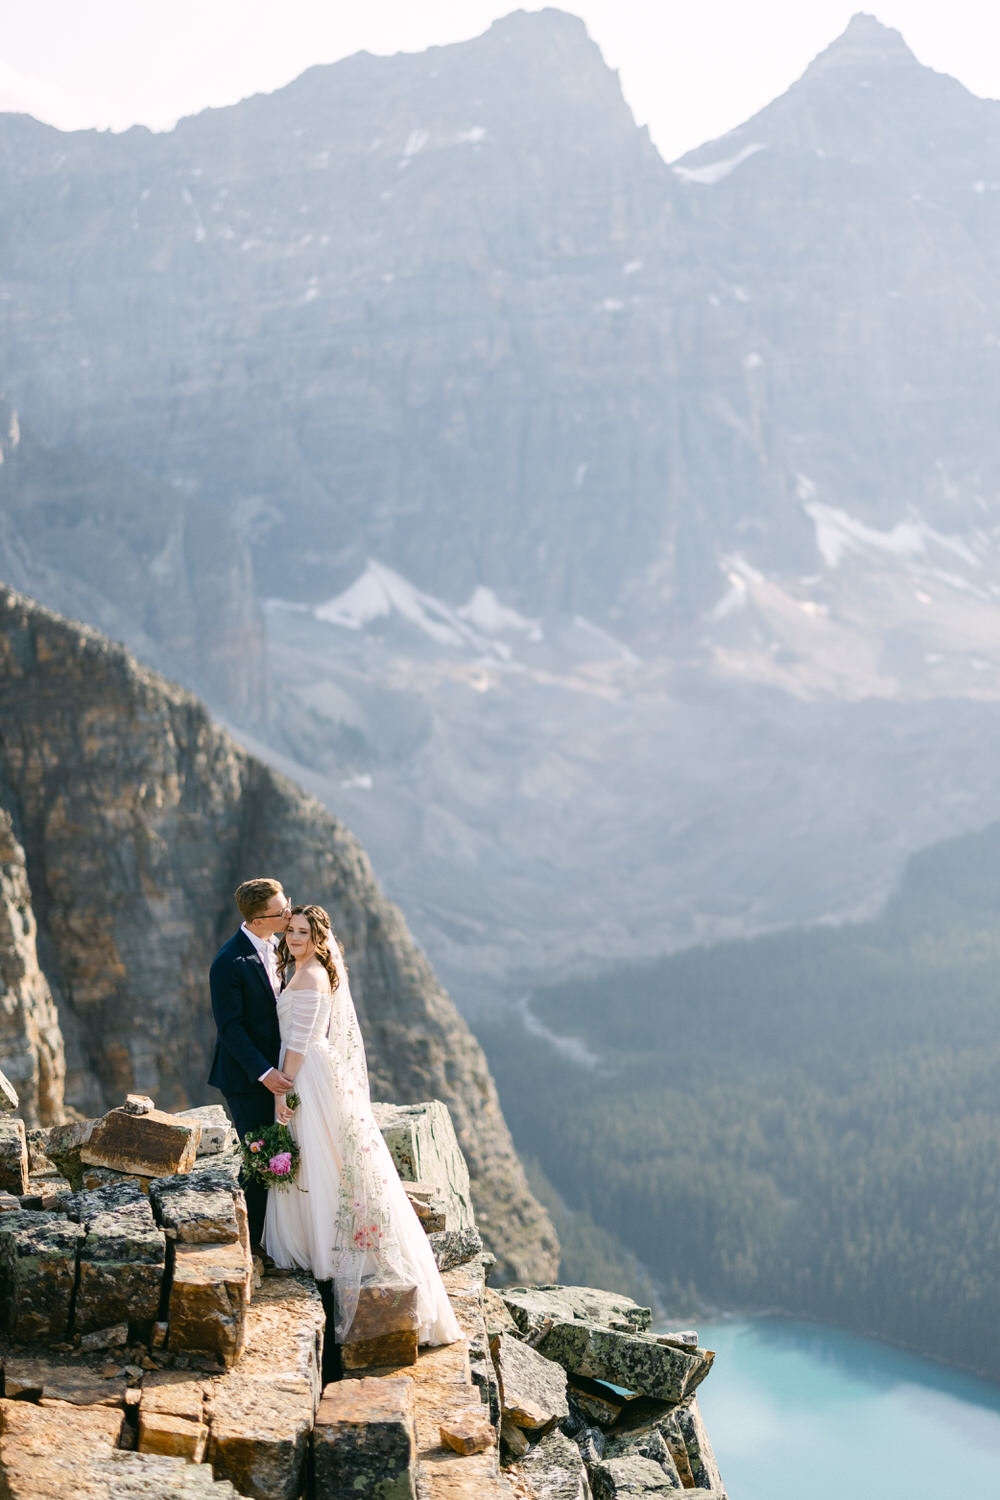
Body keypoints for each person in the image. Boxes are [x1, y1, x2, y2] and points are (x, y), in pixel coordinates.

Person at [263, 904, 462, 1349]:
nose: (294, 939)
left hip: (305, 1073)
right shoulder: (305, 969)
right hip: (309, 1069)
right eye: (291, 931)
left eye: (303, 933)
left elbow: (299, 1040)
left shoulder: (311, 975)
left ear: (319, 939)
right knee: (321, 1156)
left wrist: (283, 1089)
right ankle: (325, 1242)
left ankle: (329, 1248)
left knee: (318, 1154)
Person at [208, 877, 293, 1249]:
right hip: (247, 1079)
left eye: (286, 902)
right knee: (262, 1159)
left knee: (282, 1156)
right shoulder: (228, 962)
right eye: (282, 911)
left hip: (282, 1072)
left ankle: (271, 1236)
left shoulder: (281, 946)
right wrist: (264, 1073)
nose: (289, 912)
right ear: (258, 920)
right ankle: (251, 1246)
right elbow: (230, 1029)